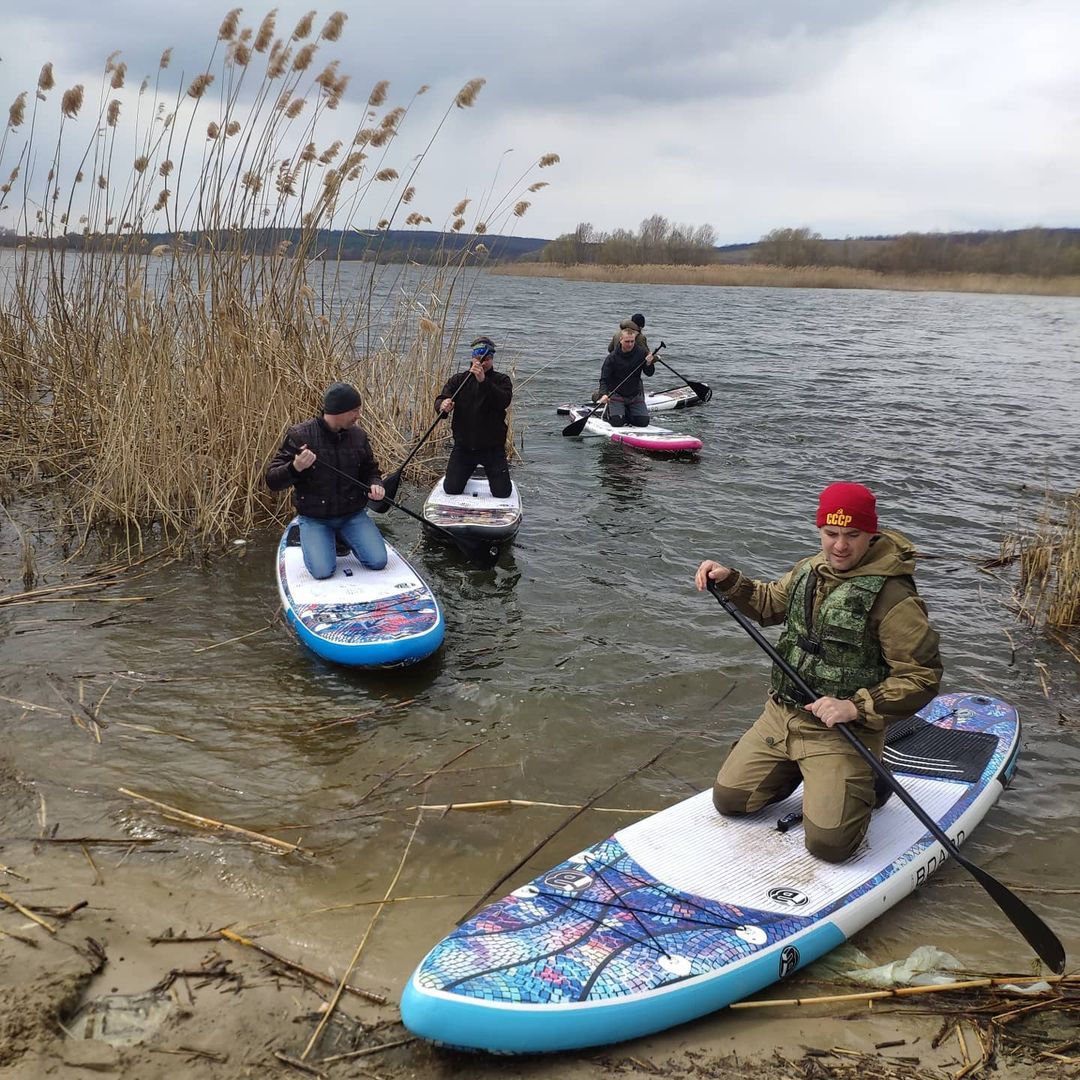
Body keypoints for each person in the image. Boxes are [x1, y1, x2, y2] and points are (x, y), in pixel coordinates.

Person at [693, 482, 942, 863]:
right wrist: (729, 580)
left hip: (843, 730)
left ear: (871, 533)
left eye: (852, 535)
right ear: (819, 531)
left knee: (829, 846)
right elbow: (766, 605)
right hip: (782, 717)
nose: (840, 545)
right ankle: (807, 772)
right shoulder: (809, 570)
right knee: (731, 801)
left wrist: (855, 706)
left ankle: (871, 781)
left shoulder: (895, 597)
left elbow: (921, 677)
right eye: (831, 534)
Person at [265, 381, 387, 579]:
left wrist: (376, 484)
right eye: (355, 411)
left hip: (352, 515)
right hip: (315, 517)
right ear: (339, 411)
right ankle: (319, 539)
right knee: (322, 572)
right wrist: (295, 467)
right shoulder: (300, 435)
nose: (358, 416)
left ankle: (343, 537)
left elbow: (371, 470)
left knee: (378, 561)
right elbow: (272, 480)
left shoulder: (358, 436)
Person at [435, 336, 513, 498]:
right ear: (472, 358)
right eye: (478, 359)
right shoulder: (459, 380)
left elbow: (503, 401)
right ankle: (463, 475)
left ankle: (494, 477)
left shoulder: (502, 380)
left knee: (502, 493)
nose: (482, 363)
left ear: (491, 360)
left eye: (486, 359)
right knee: (451, 489)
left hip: (492, 448)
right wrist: (443, 405)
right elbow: (442, 397)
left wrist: (483, 381)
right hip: (464, 447)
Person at [598, 325, 656, 427]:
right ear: (621, 340)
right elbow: (604, 378)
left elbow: (649, 373)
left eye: (632, 341)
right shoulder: (612, 357)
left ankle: (626, 411)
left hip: (634, 394)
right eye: (627, 341)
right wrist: (603, 394)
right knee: (617, 422)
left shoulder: (641, 353)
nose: (630, 344)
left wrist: (648, 363)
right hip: (617, 394)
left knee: (643, 422)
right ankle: (610, 411)